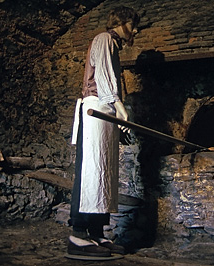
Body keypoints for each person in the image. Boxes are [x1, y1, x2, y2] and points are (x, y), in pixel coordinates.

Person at [67, 6, 140, 259]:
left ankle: (96, 232)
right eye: (133, 24)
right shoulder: (104, 39)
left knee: (104, 171)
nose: (136, 30)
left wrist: (117, 116)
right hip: (96, 108)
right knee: (91, 170)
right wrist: (120, 108)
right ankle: (78, 234)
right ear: (122, 21)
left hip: (105, 110)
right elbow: (105, 77)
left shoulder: (114, 45)